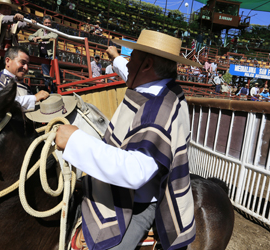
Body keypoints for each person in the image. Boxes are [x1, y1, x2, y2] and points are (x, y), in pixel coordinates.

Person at [56, 30, 198, 250]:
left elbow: (136, 172)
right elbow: (129, 72)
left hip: (139, 202)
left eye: (132, 58)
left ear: (148, 65)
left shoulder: (159, 110)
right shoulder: (162, 87)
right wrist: (116, 58)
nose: (128, 65)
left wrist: (75, 141)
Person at [0, 46, 49, 111]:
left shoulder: (25, 86)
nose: (26, 68)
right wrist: (34, 98)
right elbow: (0, 103)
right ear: (8, 61)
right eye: (23, 62)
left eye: (27, 64)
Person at [0, 0, 36, 74]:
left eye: (9, 9)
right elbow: (3, 20)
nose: (7, 10)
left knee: (4, 71)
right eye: (5, 8)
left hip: (5, 51)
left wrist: (27, 24)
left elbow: (16, 26)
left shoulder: (10, 20)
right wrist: (14, 18)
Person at [28, 16, 62, 93]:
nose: (47, 24)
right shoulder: (40, 30)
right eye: (46, 23)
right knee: (46, 75)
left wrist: (40, 37)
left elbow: (54, 36)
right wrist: (34, 38)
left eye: (49, 23)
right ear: (43, 23)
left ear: (51, 24)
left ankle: (59, 81)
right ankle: (50, 91)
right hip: (43, 55)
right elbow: (30, 37)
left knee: (54, 73)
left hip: (52, 55)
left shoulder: (54, 30)